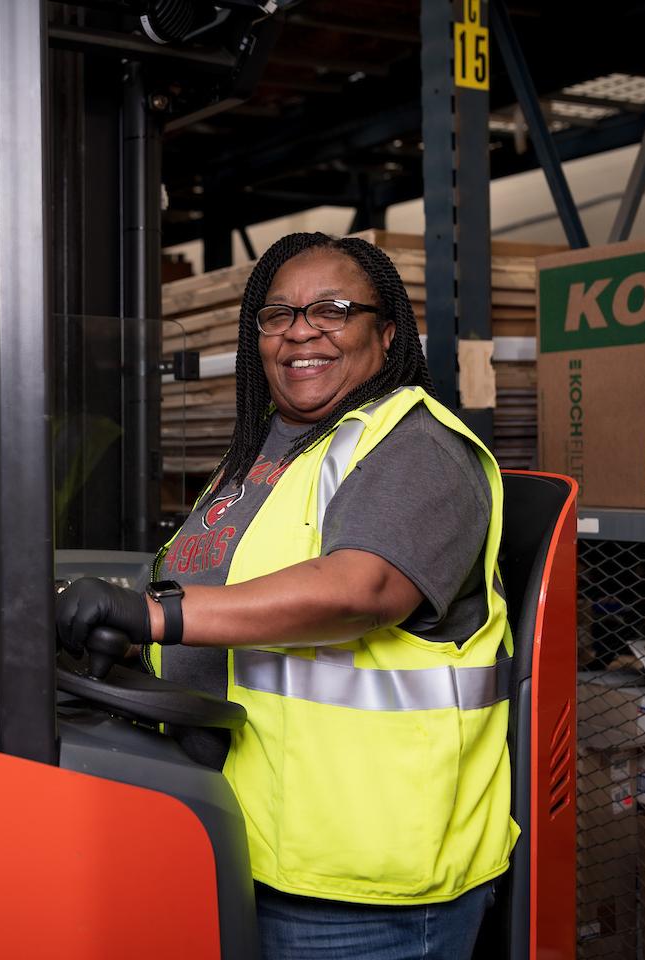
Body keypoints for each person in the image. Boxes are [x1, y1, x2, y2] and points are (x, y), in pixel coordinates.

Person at [56, 233, 516, 960]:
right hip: (255, 843)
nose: (302, 330)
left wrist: (152, 615)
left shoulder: (416, 449)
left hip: (364, 883)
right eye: (278, 314)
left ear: (386, 331)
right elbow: (218, 579)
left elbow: (361, 590)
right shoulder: (267, 452)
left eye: (333, 309)